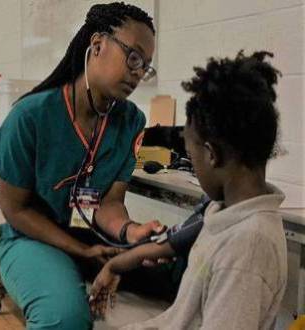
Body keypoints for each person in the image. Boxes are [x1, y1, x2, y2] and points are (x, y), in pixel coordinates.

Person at [0, 2, 181, 329]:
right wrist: (79, 249)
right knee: (64, 319)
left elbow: (109, 202)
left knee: (182, 269)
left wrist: (131, 232)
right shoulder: (30, 116)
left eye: (145, 66)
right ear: (98, 45)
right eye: (133, 57)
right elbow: (15, 210)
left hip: (93, 236)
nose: (137, 72)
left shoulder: (131, 121)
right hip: (33, 239)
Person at [90, 50, 287, 330]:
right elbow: (176, 241)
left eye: (192, 158)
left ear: (211, 155)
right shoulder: (226, 209)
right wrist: (115, 264)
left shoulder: (248, 248)